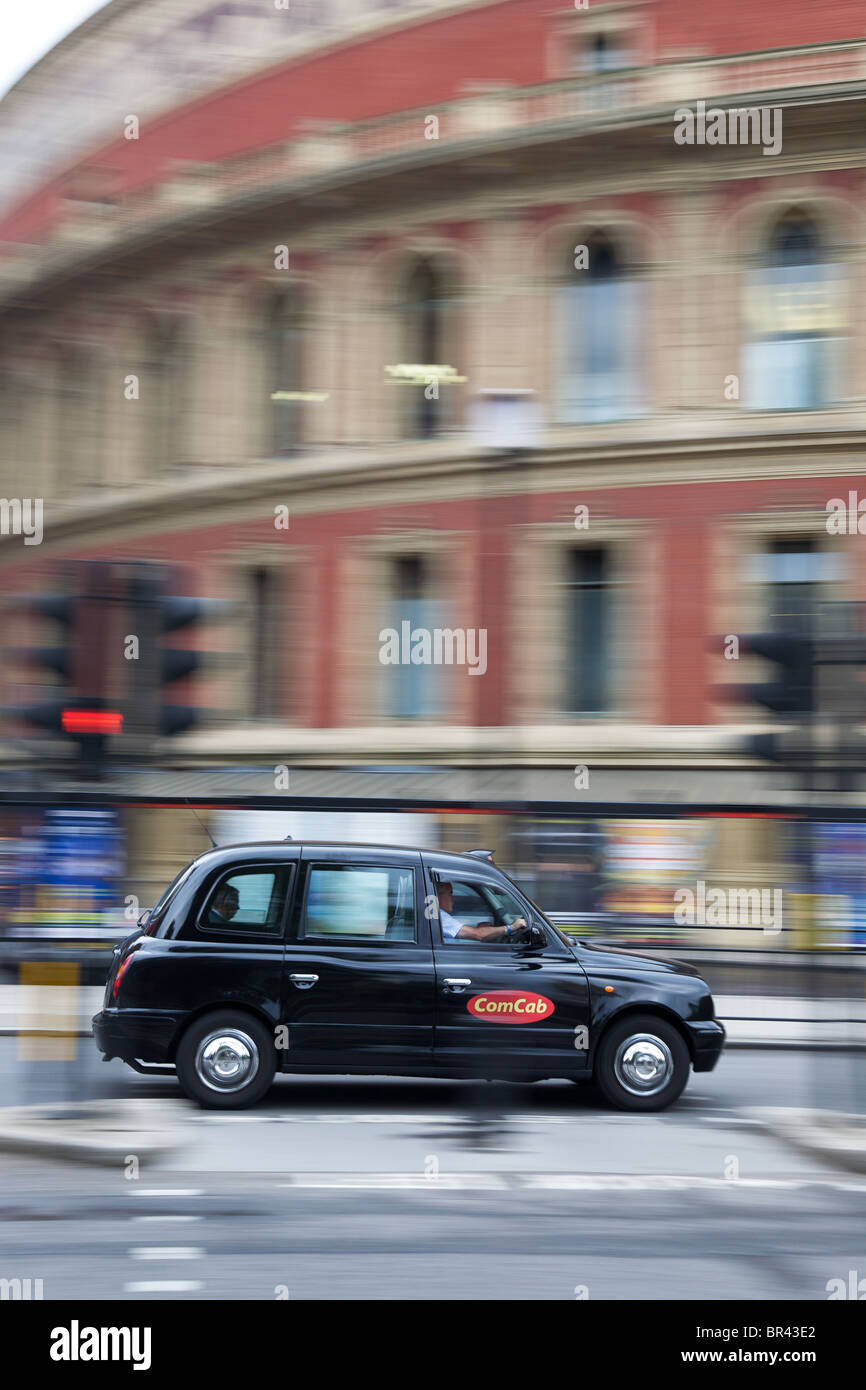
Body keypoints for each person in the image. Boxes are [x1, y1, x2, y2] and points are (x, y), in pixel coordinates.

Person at [436, 880, 527, 943]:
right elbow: (479, 934)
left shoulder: (438, 916)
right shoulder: (440, 917)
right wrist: (512, 927)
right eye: (450, 893)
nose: (453, 898)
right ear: (437, 896)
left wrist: (486, 929)